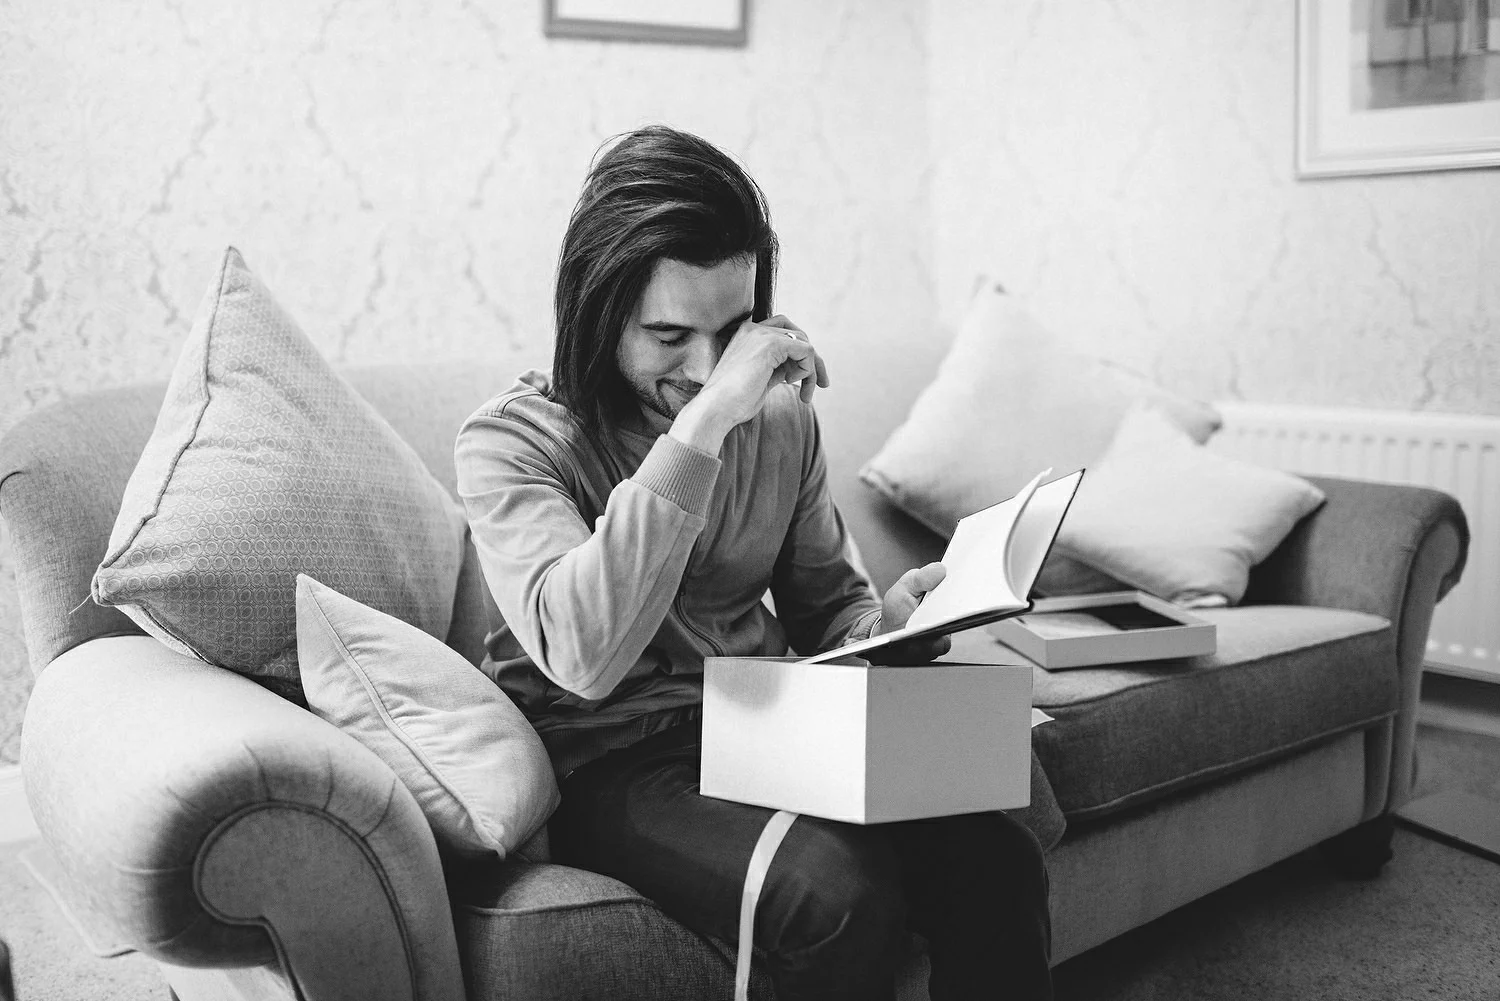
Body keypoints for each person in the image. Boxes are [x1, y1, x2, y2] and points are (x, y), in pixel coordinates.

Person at [455, 124, 1052, 1001]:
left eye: (732, 333)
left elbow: (828, 608)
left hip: (762, 720)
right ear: (599, 309)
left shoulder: (782, 421)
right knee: (831, 892)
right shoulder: (511, 443)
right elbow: (584, 655)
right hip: (606, 759)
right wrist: (704, 428)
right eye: (668, 337)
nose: (703, 368)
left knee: (995, 856)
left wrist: (886, 625)